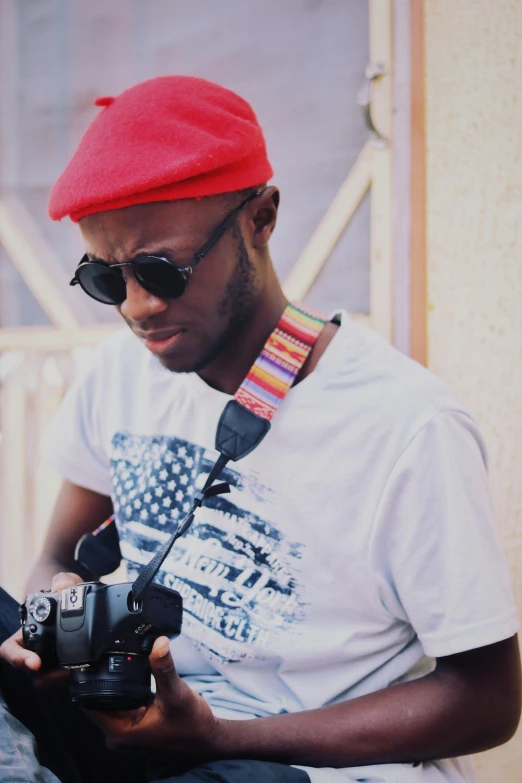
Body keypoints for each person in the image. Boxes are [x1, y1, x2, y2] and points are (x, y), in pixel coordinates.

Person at [0, 75, 520, 783]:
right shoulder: (118, 376)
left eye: (162, 268)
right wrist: (58, 627)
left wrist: (222, 737)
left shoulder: (408, 424)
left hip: (292, 765)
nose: (139, 306)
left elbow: (488, 698)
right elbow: (57, 552)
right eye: (107, 279)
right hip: (141, 733)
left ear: (262, 217)